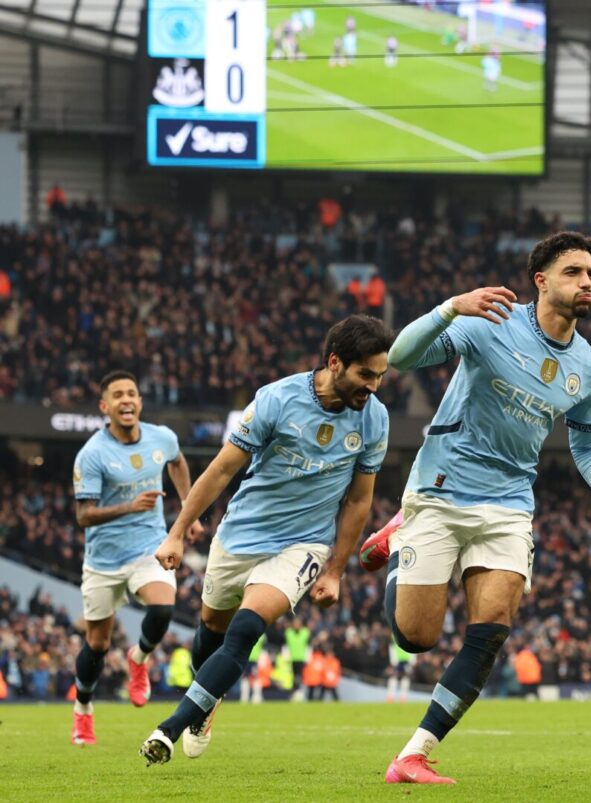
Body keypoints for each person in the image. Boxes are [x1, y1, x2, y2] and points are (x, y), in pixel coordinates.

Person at [359, 230, 591, 784]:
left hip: (509, 503)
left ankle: (413, 754)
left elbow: (585, 442)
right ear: (541, 280)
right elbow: (401, 359)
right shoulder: (490, 321)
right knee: (416, 638)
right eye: (574, 272)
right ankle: (398, 538)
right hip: (440, 488)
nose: (586, 283)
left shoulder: (590, 369)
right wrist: (449, 308)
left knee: (493, 627)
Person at [138, 315, 391, 766]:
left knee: (245, 631)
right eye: (365, 374)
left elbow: (358, 501)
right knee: (211, 631)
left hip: (303, 545)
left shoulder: (374, 420)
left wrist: (335, 570)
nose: (373, 386)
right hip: (241, 533)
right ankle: (207, 700)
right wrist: (177, 533)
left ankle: (169, 729)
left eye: (380, 376)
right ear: (335, 362)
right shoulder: (277, 399)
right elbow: (221, 469)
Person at [70, 370, 203, 745]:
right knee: (96, 644)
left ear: (140, 402)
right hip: (103, 560)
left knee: (163, 608)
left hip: (148, 546)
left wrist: (186, 510)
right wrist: (131, 506)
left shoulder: (162, 437)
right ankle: (82, 710)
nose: (126, 400)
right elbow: (83, 515)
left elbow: (176, 461)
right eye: (118, 395)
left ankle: (139, 658)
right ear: (105, 406)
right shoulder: (93, 454)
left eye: (132, 393)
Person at [284, 616, 311, 702]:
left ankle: (300, 694)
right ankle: (294, 694)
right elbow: (285, 646)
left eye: (298, 623)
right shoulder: (288, 632)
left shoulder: (306, 632)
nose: (296, 624)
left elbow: (308, 646)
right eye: (295, 623)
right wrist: (286, 657)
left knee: (301, 677)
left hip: (302, 659)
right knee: (293, 677)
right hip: (292, 659)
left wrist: (308, 658)